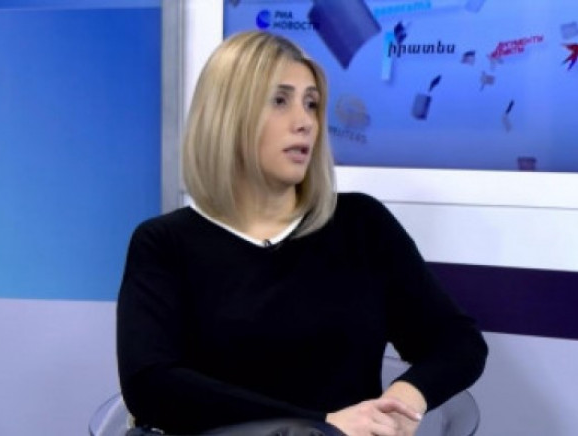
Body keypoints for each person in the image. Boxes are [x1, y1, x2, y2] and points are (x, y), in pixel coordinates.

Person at [117, 30, 488, 436]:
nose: (305, 122)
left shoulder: (362, 224)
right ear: (227, 116)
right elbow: (150, 385)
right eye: (280, 101)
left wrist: (406, 396)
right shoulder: (165, 243)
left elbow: (456, 341)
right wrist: (317, 425)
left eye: (311, 104)